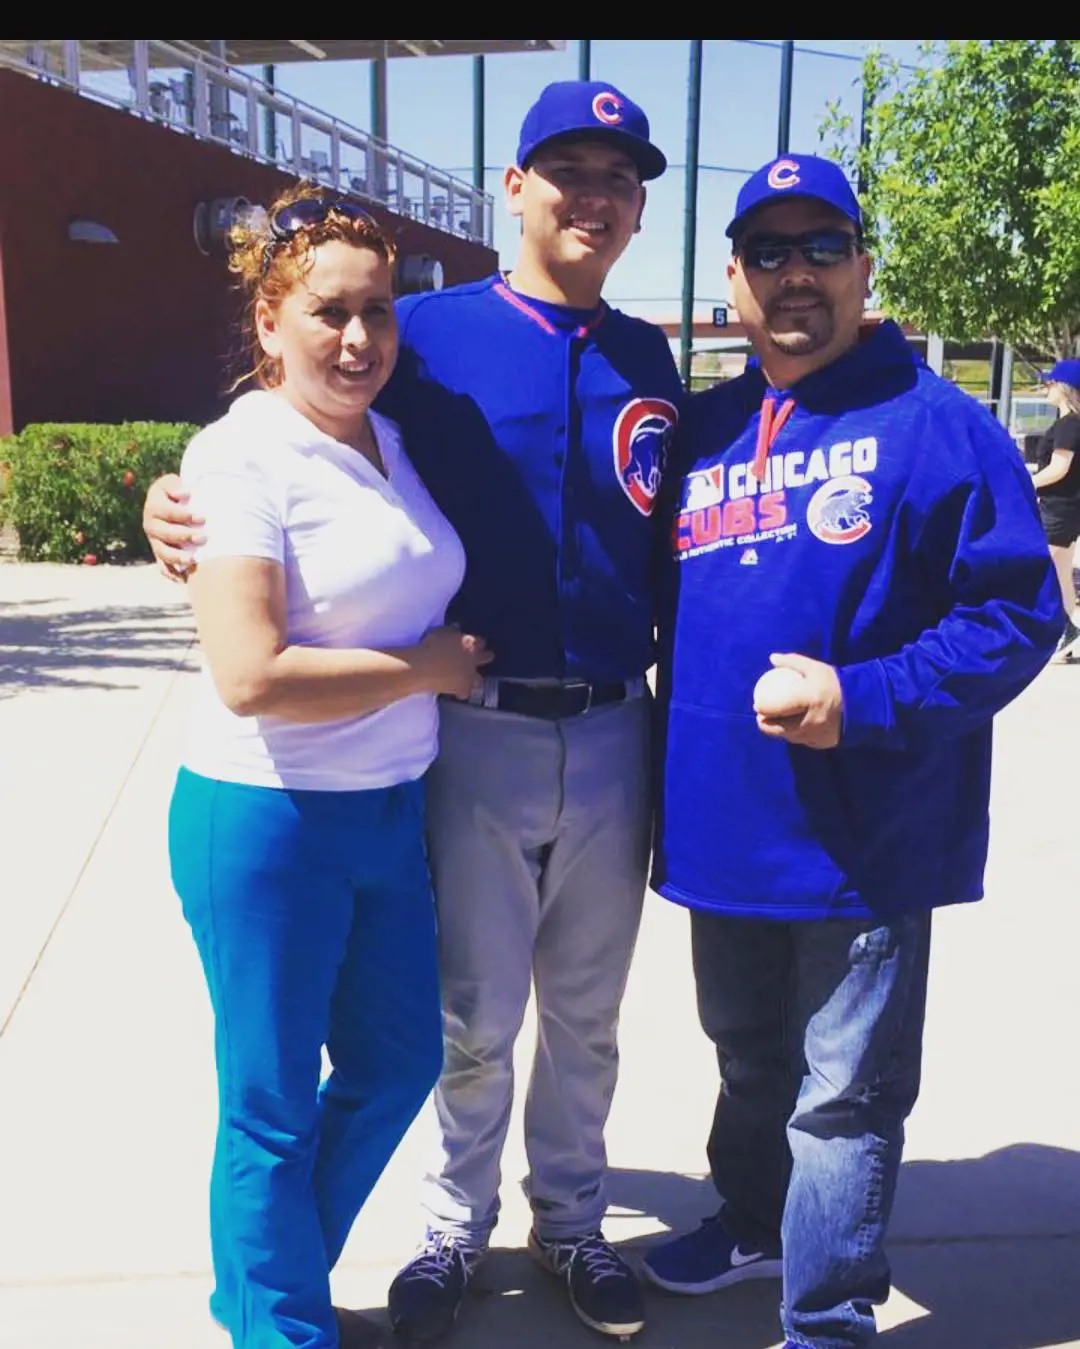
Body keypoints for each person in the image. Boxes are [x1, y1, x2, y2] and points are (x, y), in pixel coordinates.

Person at [144, 82, 684, 1343]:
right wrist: (179, 509)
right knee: (468, 1017)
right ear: (513, 187)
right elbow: (279, 427)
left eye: (620, 174)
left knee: (583, 1013)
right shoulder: (423, 333)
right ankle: (449, 1228)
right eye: (567, 168)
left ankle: (571, 1220)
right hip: (465, 727)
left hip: (611, 724)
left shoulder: (649, 354)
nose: (593, 195)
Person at [642, 154, 1062, 1348]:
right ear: (732, 276)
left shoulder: (941, 425)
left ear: (865, 265)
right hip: (723, 824)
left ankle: (826, 1319)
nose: (795, 275)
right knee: (747, 1052)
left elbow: (1018, 615)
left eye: (821, 247)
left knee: (845, 1099)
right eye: (767, 252)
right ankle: (757, 1221)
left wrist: (863, 695)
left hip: (866, 833)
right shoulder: (708, 424)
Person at [167, 185, 491, 1349]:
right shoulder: (238, 454)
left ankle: (268, 1276)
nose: (360, 338)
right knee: (267, 1106)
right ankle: (280, 1325)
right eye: (329, 311)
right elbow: (250, 672)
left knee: (398, 1059)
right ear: (268, 321)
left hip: (383, 813)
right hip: (264, 817)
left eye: (380, 312)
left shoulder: (393, 439)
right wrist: (428, 668)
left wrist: (421, 673)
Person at [1029, 358, 1080, 661]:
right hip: (1066, 509)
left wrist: (1026, 483)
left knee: (1046, 570)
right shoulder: (1069, 423)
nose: (1046, 386)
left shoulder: (1068, 425)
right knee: (1060, 572)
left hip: (1060, 509)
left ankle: (1062, 630)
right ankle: (1067, 632)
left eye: (1050, 382)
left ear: (1065, 388)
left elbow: (1059, 468)